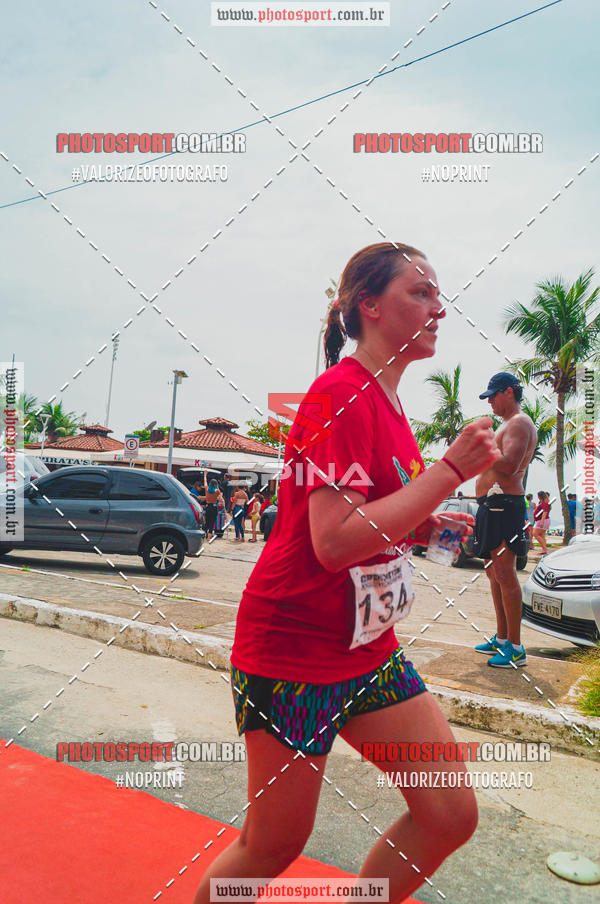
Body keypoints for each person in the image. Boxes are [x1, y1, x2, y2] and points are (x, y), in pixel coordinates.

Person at [193, 242, 500, 904]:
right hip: (294, 652)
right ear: (369, 305)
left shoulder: (388, 401)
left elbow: (369, 517)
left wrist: (427, 525)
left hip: (367, 652)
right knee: (273, 842)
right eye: (419, 292)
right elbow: (331, 542)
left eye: (437, 293)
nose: (438, 307)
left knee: (449, 814)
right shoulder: (341, 392)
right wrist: (449, 473)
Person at [473, 372, 537, 669]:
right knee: (493, 573)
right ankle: (501, 639)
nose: (490, 403)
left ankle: (516, 647)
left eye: (493, 396)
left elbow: (510, 466)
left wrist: (479, 448)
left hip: (504, 505)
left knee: (506, 575)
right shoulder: (507, 424)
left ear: (508, 392)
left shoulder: (520, 423)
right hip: (491, 505)